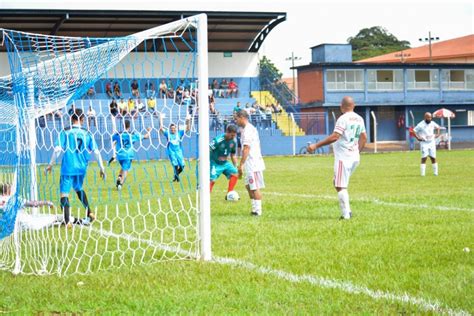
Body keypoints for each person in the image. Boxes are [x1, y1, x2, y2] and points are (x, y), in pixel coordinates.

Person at [307, 96, 367, 220]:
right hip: (354, 157)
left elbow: (335, 136)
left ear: (341, 106)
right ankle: (348, 212)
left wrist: (316, 145)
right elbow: (364, 137)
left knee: (340, 185)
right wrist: (357, 151)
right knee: (337, 182)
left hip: (343, 157)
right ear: (353, 105)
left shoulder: (343, 119)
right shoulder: (359, 118)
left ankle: (346, 215)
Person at [45, 109, 106, 228]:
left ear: (71, 119)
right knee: (78, 188)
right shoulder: (87, 133)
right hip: (82, 166)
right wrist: (102, 168)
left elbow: (57, 149)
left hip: (68, 166)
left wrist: (50, 164)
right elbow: (96, 151)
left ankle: (67, 221)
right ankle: (89, 211)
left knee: (64, 194)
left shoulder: (66, 132)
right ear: (82, 120)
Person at [234, 110, 265, 216]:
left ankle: (258, 211)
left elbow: (246, 148)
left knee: (254, 187)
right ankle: (254, 209)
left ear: (242, 117)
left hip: (253, 163)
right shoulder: (245, 129)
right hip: (249, 163)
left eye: (236, 118)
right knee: (248, 186)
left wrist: (241, 164)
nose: (235, 120)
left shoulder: (248, 130)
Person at [111, 120, 151, 190]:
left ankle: (119, 177)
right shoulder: (133, 134)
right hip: (128, 155)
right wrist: (149, 131)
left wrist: (116, 142)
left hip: (120, 155)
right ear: (129, 126)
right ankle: (120, 184)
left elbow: (113, 138)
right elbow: (146, 136)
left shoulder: (118, 134)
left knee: (123, 167)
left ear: (123, 125)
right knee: (126, 170)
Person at [210, 124, 239, 197]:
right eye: (232, 135)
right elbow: (208, 149)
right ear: (227, 132)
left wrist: (236, 166)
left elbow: (233, 155)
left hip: (225, 163)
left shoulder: (233, 142)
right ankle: (206, 197)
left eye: (234, 135)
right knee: (212, 180)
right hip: (215, 163)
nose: (233, 137)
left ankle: (229, 194)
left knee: (235, 173)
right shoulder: (218, 140)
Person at [160, 115, 191, 182]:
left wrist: (188, 120)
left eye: (174, 128)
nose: (173, 129)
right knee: (175, 164)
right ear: (170, 129)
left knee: (182, 166)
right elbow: (161, 129)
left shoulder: (179, 133)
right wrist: (161, 118)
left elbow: (188, 128)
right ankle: (177, 178)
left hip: (178, 151)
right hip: (171, 151)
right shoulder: (168, 134)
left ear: (176, 128)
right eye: (171, 128)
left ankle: (176, 175)